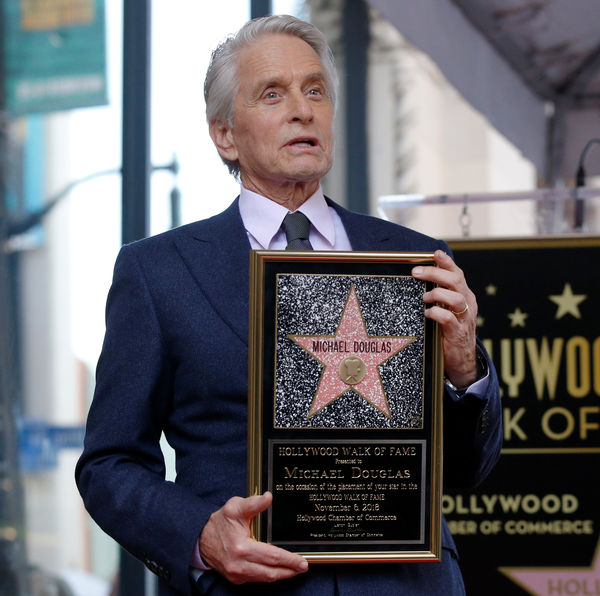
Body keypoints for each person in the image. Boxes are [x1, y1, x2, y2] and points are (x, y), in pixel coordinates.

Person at [75, 14, 502, 596]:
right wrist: (200, 535)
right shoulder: (158, 273)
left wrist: (463, 371)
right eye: (272, 94)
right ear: (225, 134)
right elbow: (109, 464)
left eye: (315, 90)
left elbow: (466, 469)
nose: (302, 109)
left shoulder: (414, 259)